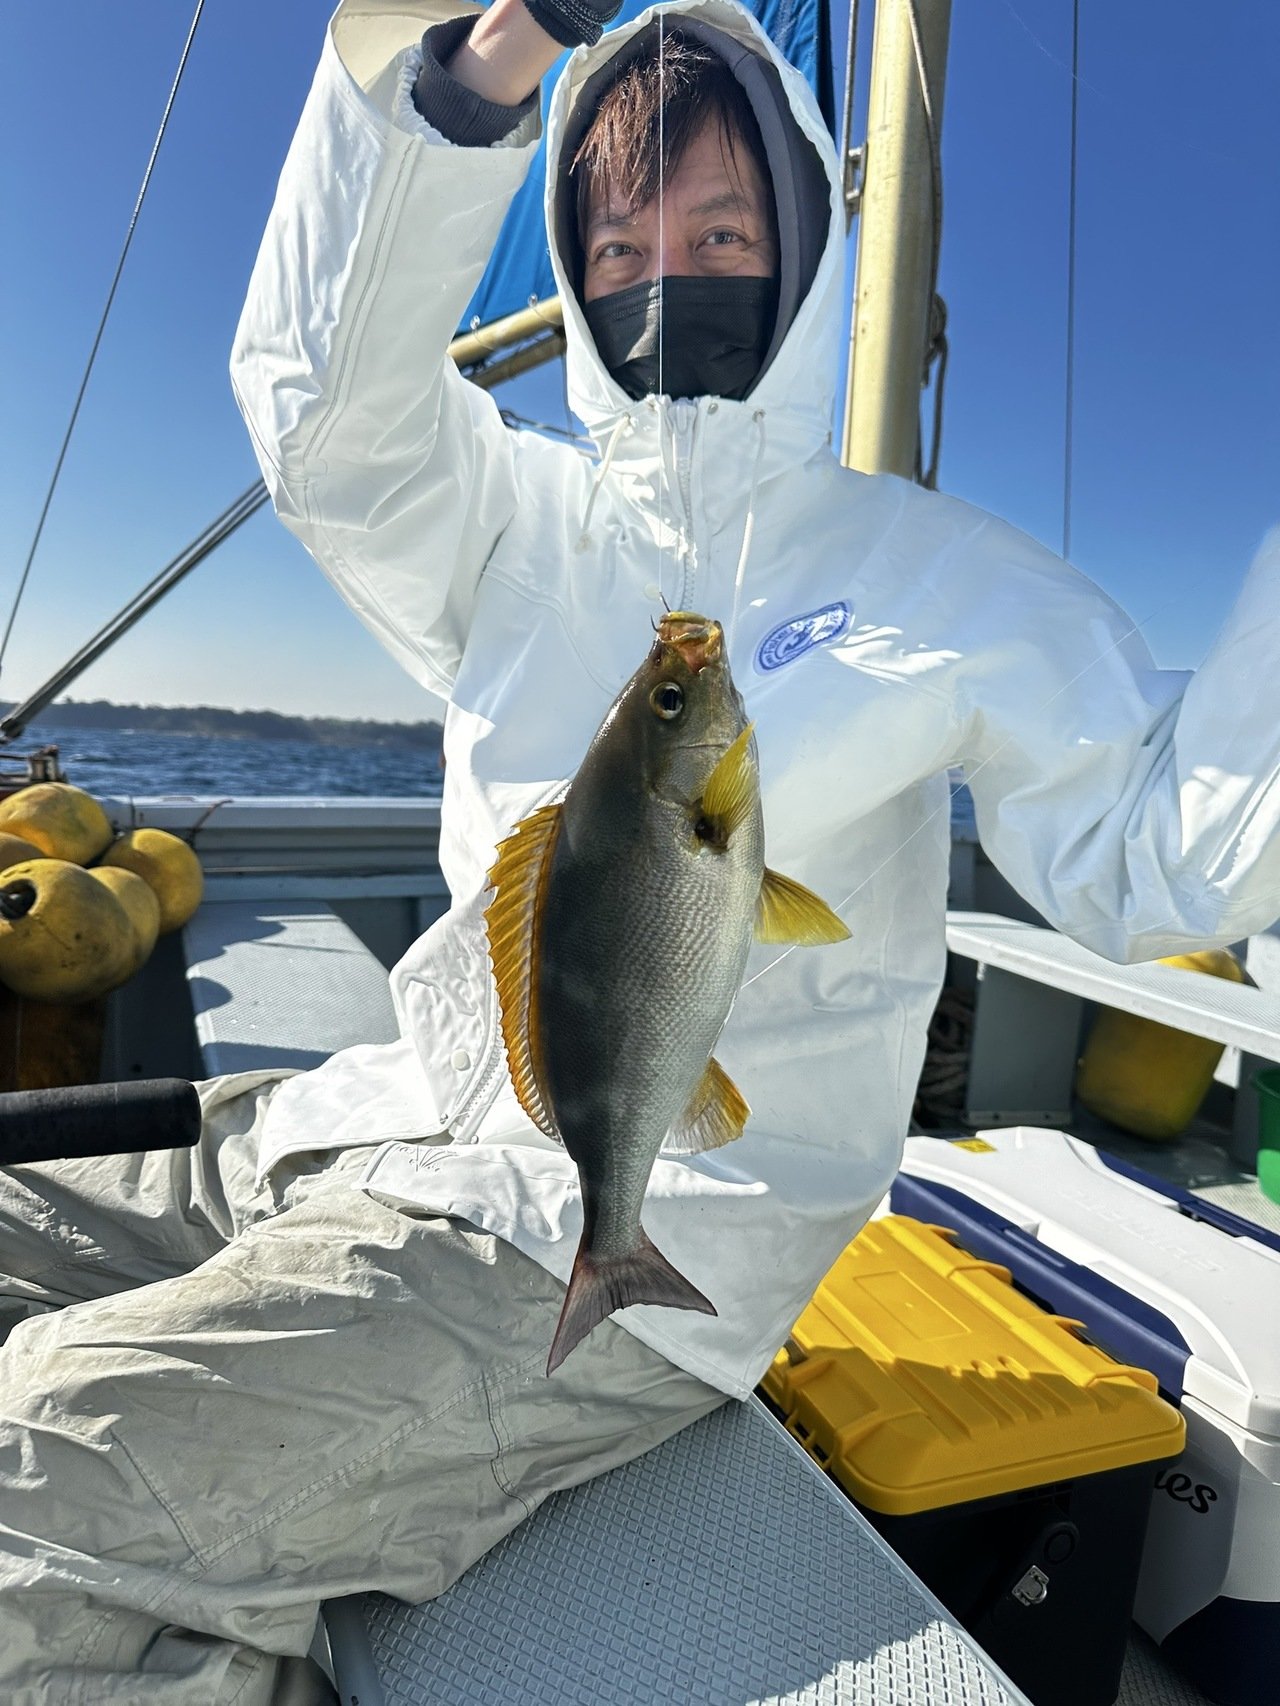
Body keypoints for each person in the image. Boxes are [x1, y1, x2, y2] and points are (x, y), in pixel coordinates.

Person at [1, 1, 1277, 1701]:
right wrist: (495, 57)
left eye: (726, 230)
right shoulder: (511, 517)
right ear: (574, 273)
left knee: (31, 1467)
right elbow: (323, 417)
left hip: (603, 1250)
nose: (669, 271)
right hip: (353, 1128)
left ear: (806, 245)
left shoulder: (944, 584)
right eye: (619, 243)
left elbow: (1165, 852)